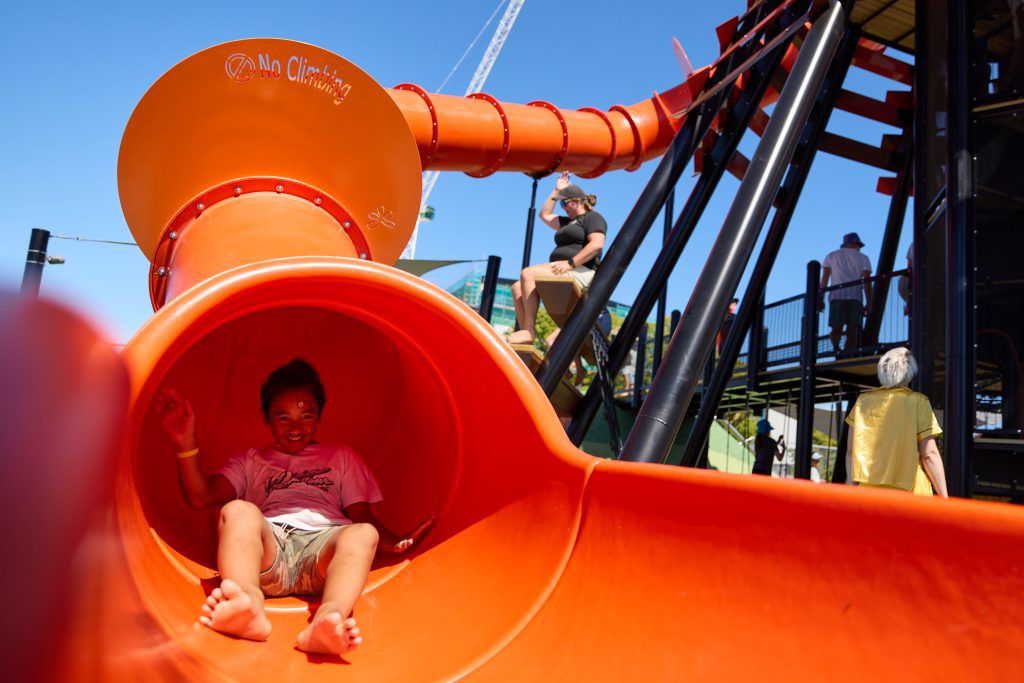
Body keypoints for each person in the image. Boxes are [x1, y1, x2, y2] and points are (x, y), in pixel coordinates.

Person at [155, 359, 434, 655]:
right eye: (284, 418)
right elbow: (200, 498)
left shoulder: (341, 457)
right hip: (270, 551)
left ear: (319, 417)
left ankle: (330, 619)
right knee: (238, 511)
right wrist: (185, 442)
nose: (296, 427)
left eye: (306, 415)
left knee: (362, 532)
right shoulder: (251, 461)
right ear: (267, 419)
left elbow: (363, 517)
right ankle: (247, 604)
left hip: (322, 553)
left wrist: (394, 541)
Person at [506, 171, 607, 345]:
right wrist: (556, 190)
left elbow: (597, 244)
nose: (563, 208)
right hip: (563, 267)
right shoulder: (567, 222)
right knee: (517, 288)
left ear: (575, 201)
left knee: (527, 274)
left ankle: (529, 331)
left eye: (564, 204)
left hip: (581, 269)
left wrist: (570, 263)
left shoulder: (592, 218)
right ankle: (526, 334)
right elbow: (544, 214)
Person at [844, 347, 949, 497]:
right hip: (911, 493)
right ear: (910, 374)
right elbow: (929, 454)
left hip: (868, 494)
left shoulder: (863, 402)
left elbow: (851, 452)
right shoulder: (919, 402)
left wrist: (851, 486)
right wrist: (944, 497)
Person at [819, 232, 872, 355]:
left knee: (836, 327)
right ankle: (848, 354)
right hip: (856, 298)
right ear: (856, 243)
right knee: (853, 329)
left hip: (836, 297)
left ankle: (836, 349)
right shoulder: (864, 258)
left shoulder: (831, 256)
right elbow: (867, 282)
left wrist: (820, 297)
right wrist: (869, 302)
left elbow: (825, 278)